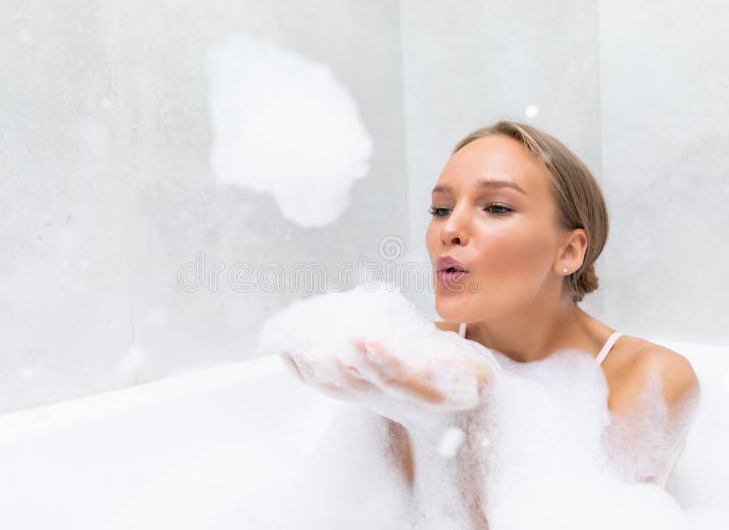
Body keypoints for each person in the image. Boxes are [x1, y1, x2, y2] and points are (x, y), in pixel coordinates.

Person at [282, 120, 701, 525]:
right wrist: (392, 416)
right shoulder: (418, 362)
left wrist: (475, 409)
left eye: (496, 207)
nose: (450, 228)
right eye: (441, 208)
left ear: (570, 251)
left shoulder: (648, 380)